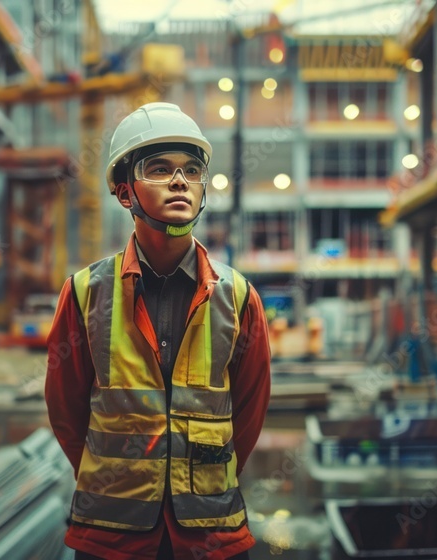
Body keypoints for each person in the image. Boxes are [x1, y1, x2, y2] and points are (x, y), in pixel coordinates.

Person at [45, 102, 272, 560]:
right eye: (159, 169)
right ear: (125, 192)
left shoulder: (238, 295)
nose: (179, 181)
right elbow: (65, 410)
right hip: (112, 538)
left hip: (211, 537)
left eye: (192, 170)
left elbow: (249, 414)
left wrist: (204, 480)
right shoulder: (87, 292)